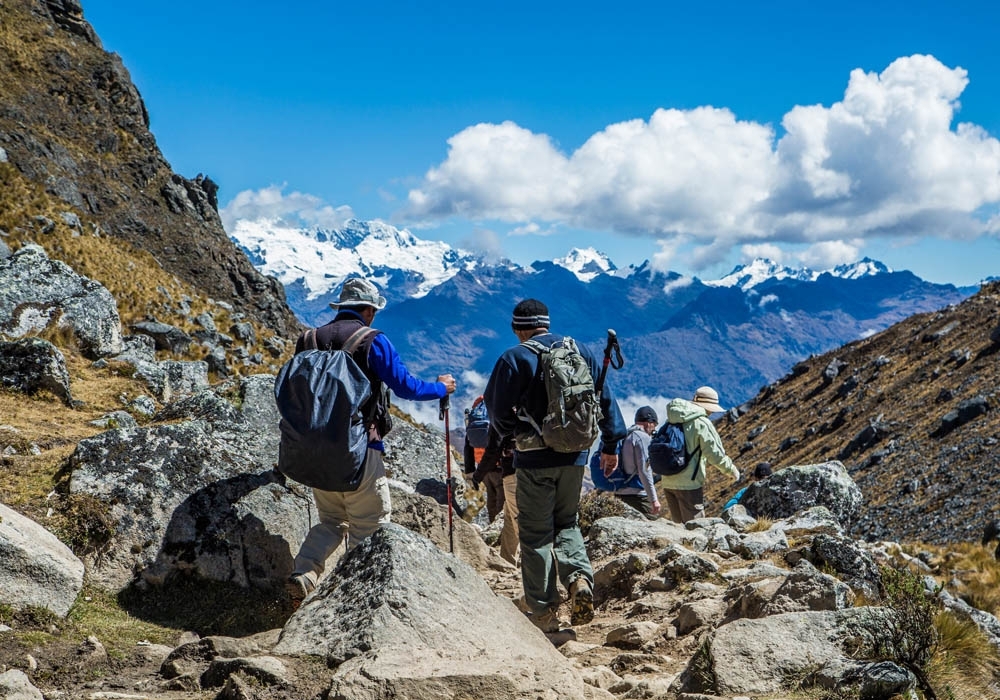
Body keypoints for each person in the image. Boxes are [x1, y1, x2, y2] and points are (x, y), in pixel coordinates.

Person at [286, 277, 457, 603]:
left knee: (332, 521)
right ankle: (355, 600)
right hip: (360, 449)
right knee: (371, 526)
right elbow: (407, 387)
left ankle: (305, 573)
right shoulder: (372, 340)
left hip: (314, 451)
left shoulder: (307, 339)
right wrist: (442, 388)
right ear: (368, 310)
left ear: (340, 307)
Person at [485, 298, 626, 632]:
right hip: (576, 456)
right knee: (567, 522)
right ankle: (579, 580)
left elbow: (496, 411)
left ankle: (545, 610)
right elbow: (603, 399)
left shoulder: (514, 358)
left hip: (534, 459)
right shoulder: (582, 351)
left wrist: (515, 433)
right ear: (546, 322)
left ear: (517, 327)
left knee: (535, 534)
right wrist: (610, 444)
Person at [660, 386, 740, 524]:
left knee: (678, 525)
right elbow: (714, 454)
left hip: (668, 479)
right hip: (689, 483)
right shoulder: (701, 423)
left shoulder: (672, 419)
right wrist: (730, 469)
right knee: (695, 528)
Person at [474, 425, 518, 563]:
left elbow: (495, 447)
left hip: (513, 470)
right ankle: (508, 561)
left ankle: (538, 564)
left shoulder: (505, 407)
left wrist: (478, 474)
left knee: (518, 518)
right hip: (544, 465)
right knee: (510, 515)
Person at [607, 406, 662, 518]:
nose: (653, 431)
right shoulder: (642, 437)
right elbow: (644, 471)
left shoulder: (626, 434)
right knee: (654, 523)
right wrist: (654, 500)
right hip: (637, 495)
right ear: (649, 423)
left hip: (619, 492)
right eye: (654, 426)